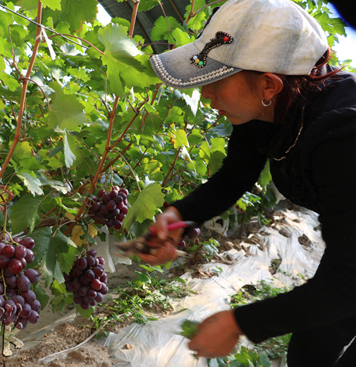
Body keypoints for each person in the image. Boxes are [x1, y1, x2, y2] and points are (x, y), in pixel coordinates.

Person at [145, 0, 356, 366]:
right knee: (310, 352)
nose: (204, 95)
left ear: (269, 84)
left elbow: (347, 282)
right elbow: (235, 176)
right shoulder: (265, 108)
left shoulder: (344, 138)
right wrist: (179, 216)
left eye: (214, 81)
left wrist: (239, 322)